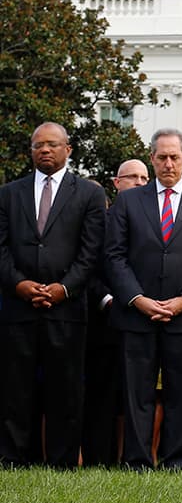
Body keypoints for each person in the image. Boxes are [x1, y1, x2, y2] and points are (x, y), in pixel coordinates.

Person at [105, 128, 182, 470]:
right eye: (161, 157)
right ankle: (137, 462)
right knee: (136, 395)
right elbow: (114, 256)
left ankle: (179, 463)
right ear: (152, 159)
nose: (168, 163)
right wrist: (137, 299)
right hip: (136, 315)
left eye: (174, 157)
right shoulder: (128, 201)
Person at [0, 122, 107, 467]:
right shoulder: (8, 194)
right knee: (16, 390)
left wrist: (64, 288)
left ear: (68, 149)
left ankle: (61, 463)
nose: (44, 150)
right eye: (37, 146)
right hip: (18, 307)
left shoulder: (89, 194)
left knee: (65, 391)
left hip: (68, 309)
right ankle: (14, 459)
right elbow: (1, 249)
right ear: (30, 152)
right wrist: (19, 284)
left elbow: (92, 252)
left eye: (52, 144)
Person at [82, 159, 149, 466]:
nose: (139, 181)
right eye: (132, 177)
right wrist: (110, 300)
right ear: (116, 183)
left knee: (137, 396)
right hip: (105, 322)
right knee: (103, 395)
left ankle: (131, 458)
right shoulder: (101, 221)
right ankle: (99, 459)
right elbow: (87, 268)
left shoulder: (153, 223)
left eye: (144, 177)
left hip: (146, 321)